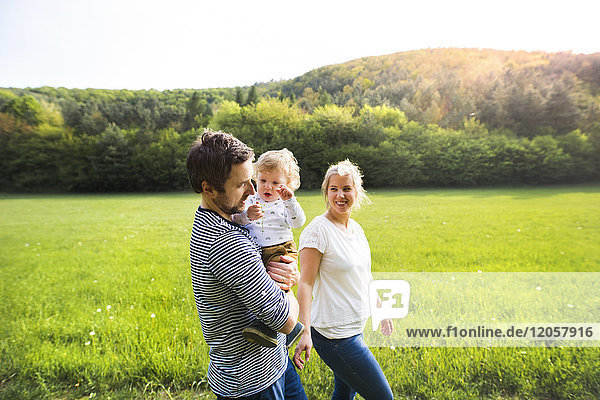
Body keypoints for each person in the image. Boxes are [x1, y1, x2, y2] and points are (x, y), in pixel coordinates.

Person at [187, 130, 307, 400]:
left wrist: (284, 274)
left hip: (273, 362)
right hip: (252, 381)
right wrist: (290, 286)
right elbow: (285, 321)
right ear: (209, 188)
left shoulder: (214, 221)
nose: (254, 191)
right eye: (243, 184)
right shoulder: (227, 243)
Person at [293, 160, 394, 400]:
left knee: (344, 394)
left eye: (346, 188)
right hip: (334, 336)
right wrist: (304, 331)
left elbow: (365, 275)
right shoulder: (318, 230)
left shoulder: (356, 230)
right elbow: (305, 283)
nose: (340, 195)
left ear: (356, 192)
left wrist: (381, 309)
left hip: (353, 328)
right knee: (383, 397)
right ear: (326, 192)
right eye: (334, 189)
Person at [232, 149, 307, 349]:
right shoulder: (250, 200)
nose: (268, 187)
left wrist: (290, 200)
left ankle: (268, 326)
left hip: (280, 250)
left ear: (287, 186)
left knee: (275, 286)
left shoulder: (285, 204)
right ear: (256, 178)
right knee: (259, 286)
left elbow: (298, 222)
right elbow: (236, 220)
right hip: (257, 250)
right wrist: (247, 215)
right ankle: (291, 328)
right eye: (263, 180)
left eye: (276, 183)